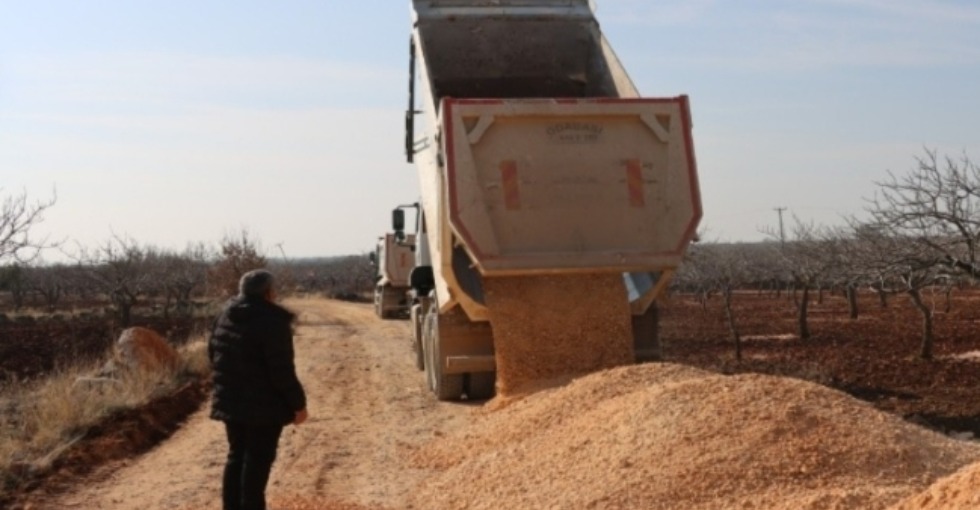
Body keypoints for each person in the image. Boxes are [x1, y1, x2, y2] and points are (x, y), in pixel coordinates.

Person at [208, 269, 308, 510]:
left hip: (231, 401)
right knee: (256, 464)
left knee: (236, 457)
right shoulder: (273, 322)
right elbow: (281, 370)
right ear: (269, 293)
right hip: (264, 408)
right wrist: (298, 404)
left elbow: (213, 355)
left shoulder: (225, 315)